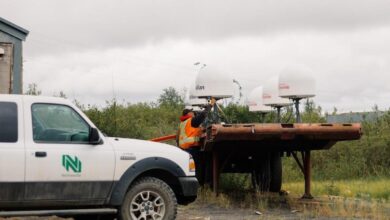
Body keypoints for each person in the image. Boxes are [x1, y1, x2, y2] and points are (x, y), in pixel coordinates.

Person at [177, 98, 216, 184]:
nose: (194, 113)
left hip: (184, 150)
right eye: (193, 112)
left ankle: (200, 185)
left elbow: (178, 139)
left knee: (193, 169)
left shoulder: (182, 123)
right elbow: (202, 116)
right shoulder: (191, 121)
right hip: (192, 150)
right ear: (189, 113)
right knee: (202, 164)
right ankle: (203, 185)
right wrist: (210, 105)